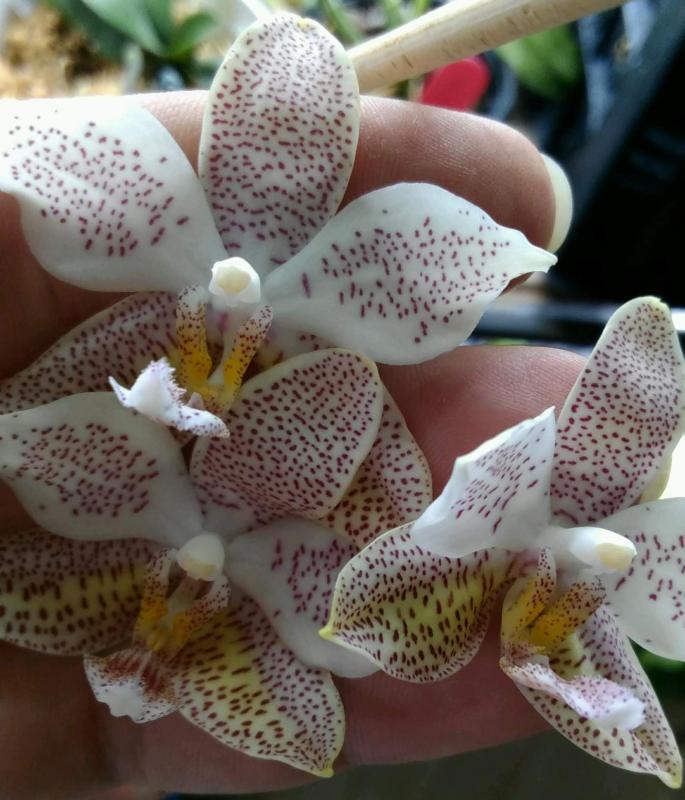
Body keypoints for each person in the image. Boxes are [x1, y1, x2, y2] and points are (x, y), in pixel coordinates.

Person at [0, 92, 581, 799]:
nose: (225, 327)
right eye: (213, 325)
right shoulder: (328, 394)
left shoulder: (334, 391)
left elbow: (387, 542)